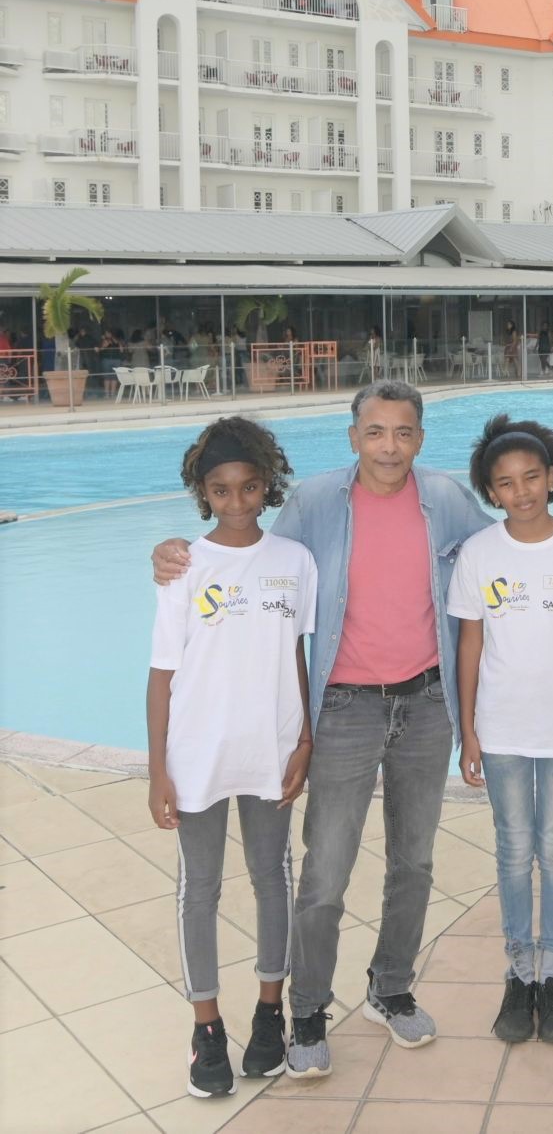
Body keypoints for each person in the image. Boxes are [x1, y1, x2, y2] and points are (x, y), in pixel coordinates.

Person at [150, 381, 553, 1080]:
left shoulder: (448, 499)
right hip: (345, 705)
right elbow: (251, 559)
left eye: (402, 432)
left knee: (414, 863)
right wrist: (174, 553)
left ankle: (390, 985)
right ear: (354, 436)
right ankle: (305, 1006)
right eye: (375, 431)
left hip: (426, 702)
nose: (389, 446)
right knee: (325, 870)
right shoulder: (313, 504)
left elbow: (515, 533)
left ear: (420, 439)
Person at [146, 416, 315, 1099]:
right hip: (197, 757)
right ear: (204, 492)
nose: (237, 500)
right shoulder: (184, 565)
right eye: (221, 489)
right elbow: (162, 674)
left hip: (270, 749)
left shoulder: (294, 561)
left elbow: (298, 657)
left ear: (267, 485)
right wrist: (159, 767)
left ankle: (269, 1011)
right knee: (200, 890)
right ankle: (207, 1027)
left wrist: (304, 738)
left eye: (249, 486)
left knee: (274, 878)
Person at [451, 416, 553, 1044]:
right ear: (490, 491)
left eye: (531, 477)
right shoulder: (479, 552)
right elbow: (470, 644)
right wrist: (467, 731)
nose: (521, 492)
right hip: (500, 729)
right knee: (513, 850)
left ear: (552, 478)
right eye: (505, 483)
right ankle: (518, 971)